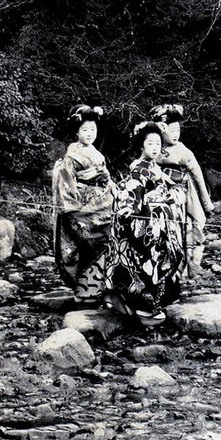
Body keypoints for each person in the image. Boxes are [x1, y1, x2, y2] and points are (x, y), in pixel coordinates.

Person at [104, 121, 187, 325]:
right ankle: (146, 307)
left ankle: (154, 303)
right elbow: (132, 194)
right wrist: (128, 210)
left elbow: (173, 189)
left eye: (158, 144)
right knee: (150, 261)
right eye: (150, 143)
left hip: (161, 224)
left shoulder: (155, 168)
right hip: (147, 226)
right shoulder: (139, 169)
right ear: (141, 145)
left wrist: (172, 196)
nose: (155, 148)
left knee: (168, 257)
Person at [51, 105, 116, 305]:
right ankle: (83, 292)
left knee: (108, 241)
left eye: (93, 129)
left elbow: (107, 180)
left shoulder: (97, 155)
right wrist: (73, 210)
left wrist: (108, 182)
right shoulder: (71, 156)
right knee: (84, 246)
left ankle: (100, 289)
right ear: (77, 132)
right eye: (85, 130)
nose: (90, 134)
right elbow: (65, 182)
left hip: (102, 204)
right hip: (81, 207)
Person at [150, 103, 213, 279]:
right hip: (157, 192)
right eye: (171, 130)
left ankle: (185, 269)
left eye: (177, 130)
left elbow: (197, 175)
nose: (175, 134)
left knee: (187, 230)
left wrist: (206, 201)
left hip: (182, 195)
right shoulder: (154, 147)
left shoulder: (183, 151)